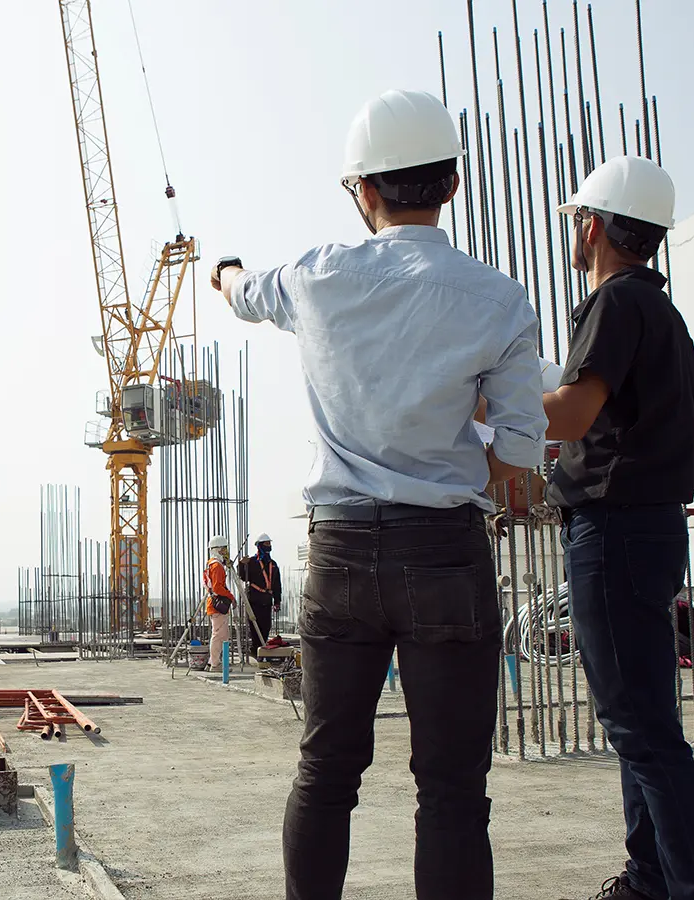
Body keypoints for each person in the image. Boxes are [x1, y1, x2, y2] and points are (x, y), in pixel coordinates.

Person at [210, 89, 547, 900]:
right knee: (453, 791)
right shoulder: (498, 297)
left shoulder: (318, 275)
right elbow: (521, 457)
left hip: (342, 555)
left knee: (327, 771)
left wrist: (222, 270)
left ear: (363, 190)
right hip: (446, 556)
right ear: (453, 185)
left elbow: (242, 291)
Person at [543, 155, 694, 900]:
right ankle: (650, 879)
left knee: (644, 733)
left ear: (593, 226)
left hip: (613, 533)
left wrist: (476, 406)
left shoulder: (616, 305)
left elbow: (575, 414)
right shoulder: (663, 312)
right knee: (640, 723)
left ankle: (686, 889)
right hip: (643, 532)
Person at [238, 533, 282, 659]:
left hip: (267, 600)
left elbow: (277, 585)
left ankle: (262, 649)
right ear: (260, 546)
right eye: (266, 544)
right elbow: (242, 576)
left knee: (266, 626)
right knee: (254, 627)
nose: (269, 546)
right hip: (254, 599)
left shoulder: (273, 564)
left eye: (270, 544)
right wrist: (242, 564)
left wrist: (277, 601)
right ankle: (255, 650)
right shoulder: (252, 562)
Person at [203, 535, 235, 674]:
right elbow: (217, 587)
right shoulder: (216, 566)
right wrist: (231, 596)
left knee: (222, 634)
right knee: (219, 635)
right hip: (218, 603)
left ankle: (215, 661)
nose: (225, 552)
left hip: (214, 603)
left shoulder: (212, 564)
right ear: (217, 549)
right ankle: (215, 663)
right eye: (223, 549)